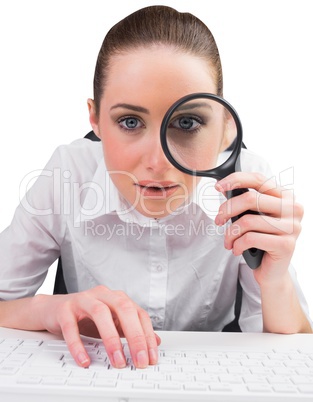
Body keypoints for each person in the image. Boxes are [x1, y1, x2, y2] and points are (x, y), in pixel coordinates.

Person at [0, 5, 312, 370]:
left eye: (187, 122)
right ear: (95, 118)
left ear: (226, 126)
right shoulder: (68, 173)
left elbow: (295, 354)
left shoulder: (248, 185)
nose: (157, 161)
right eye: (130, 121)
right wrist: (46, 308)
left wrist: (274, 282)